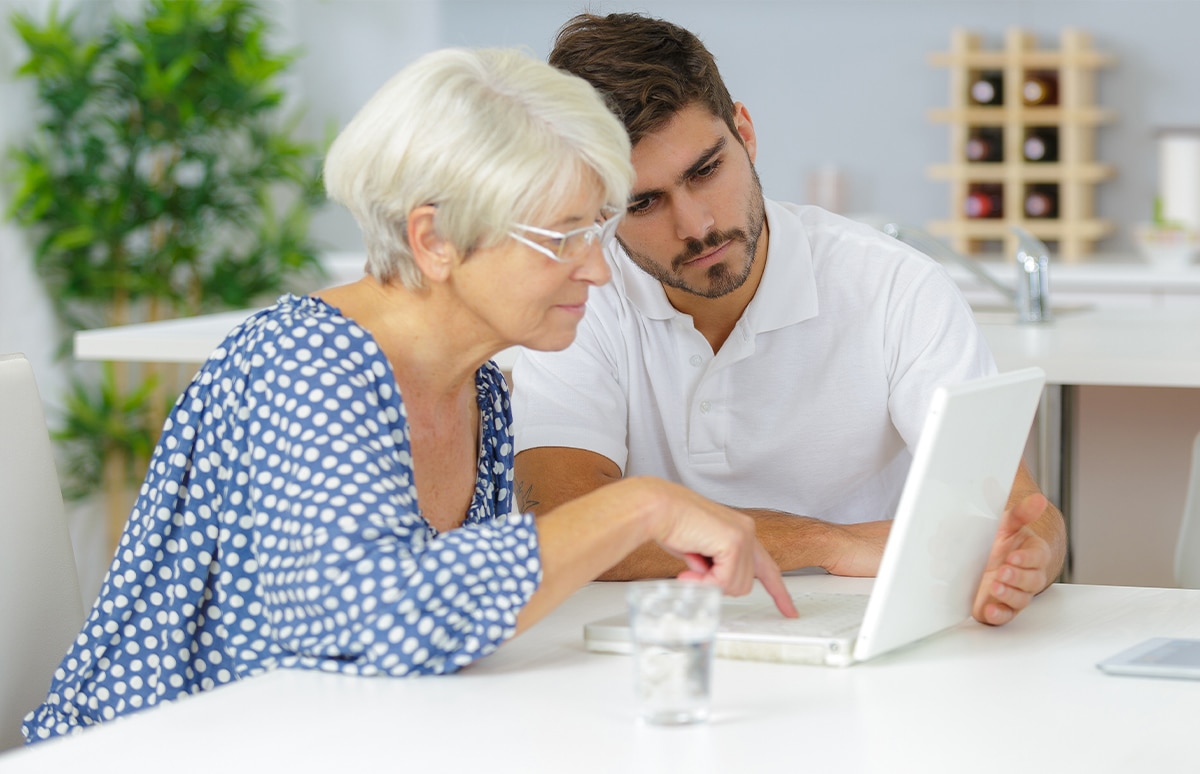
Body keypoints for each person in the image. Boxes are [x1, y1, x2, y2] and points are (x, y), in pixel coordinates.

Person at [23, 47, 796, 744]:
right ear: (434, 240)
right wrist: (640, 507)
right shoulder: (302, 363)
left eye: (596, 230)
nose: (595, 269)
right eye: (560, 236)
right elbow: (378, 620)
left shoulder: (477, 385)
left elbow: (437, 641)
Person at [511, 12, 1067, 627]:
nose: (695, 226)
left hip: (864, 636)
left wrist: (1028, 555)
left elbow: (1021, 510)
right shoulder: (578, 300)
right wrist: (829, 543)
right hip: (658, 650)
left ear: (744, 133)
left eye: (706, 170)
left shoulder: (894, 287)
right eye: (644, 202)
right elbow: (561, 524)